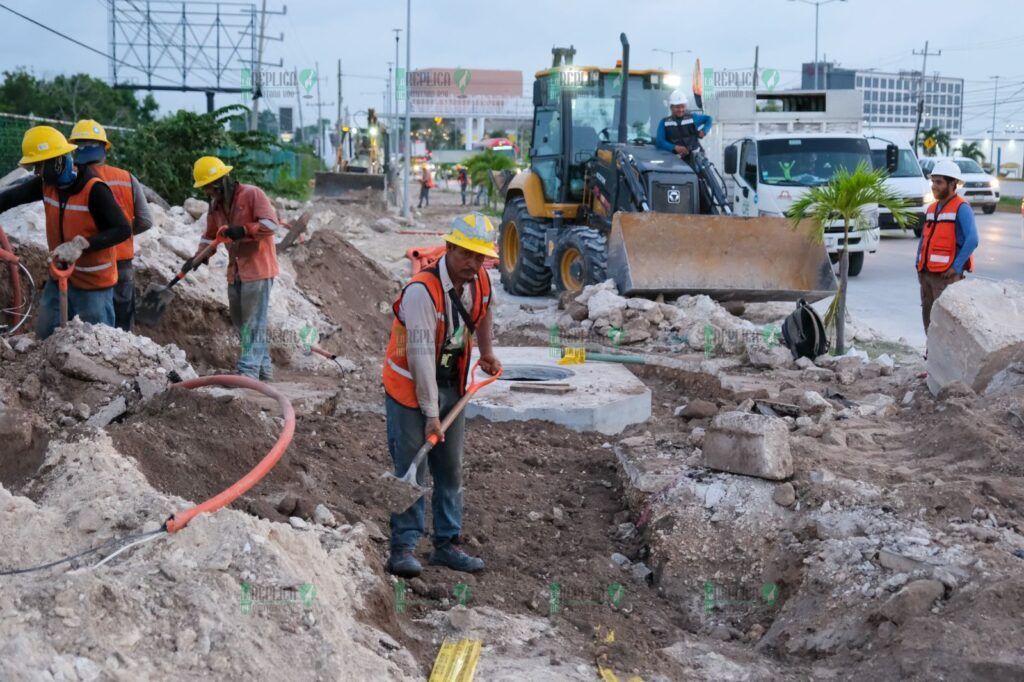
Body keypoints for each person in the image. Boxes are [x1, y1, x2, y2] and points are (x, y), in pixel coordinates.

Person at [381, 212, 502, 578]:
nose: (474, 263)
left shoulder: (479, 281)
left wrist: (487, 352)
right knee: (413, 466)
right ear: (449, 247)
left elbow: (482, 314)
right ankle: (402, 547)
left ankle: (447, 543)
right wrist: (431, 414)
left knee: (450, 468)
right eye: (467, 254)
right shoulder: (421, 291)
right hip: (409, 387)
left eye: (480, 257)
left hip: (452, 383)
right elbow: (419, 359)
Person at [0, 126, 130, 338]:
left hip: (94, 285)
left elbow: (122, 229)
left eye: (40, 166)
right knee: (44, 336)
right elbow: (8, 198)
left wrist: (82, 244)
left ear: (57, 161)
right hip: (59, 277)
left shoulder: (94, 189)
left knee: (95, 345)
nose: (37, 173)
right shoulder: (46, 185)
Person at [189, 156, 280, 380]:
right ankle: (264, 369)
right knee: (242, 321)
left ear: (220, 183)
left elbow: (271, 224)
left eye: (210, 188)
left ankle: (248, 372)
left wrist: (244, 230)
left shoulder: (252, 194)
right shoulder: (216, 207)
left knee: (253, 321)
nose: (209, 193)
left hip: (258, 268)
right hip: (236, 270)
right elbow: (210, 235)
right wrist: (200, 256)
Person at [69, 119, 153, 332]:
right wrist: (123, 234)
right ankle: (126, 360)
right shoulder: (126, 178)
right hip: (122, 260)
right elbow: (145, 220)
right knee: (123, 323)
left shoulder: (71, 179)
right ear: (105, 148)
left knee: (90, 326)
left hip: (89, 262)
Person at [916, 159, 979, 332]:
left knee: (946, 325)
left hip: (946, 277)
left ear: (953, 184)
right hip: (927, 274)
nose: (934, 186)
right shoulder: (932, 208)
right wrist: (918, 264)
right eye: (933, 181)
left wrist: (955, 267)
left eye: (939, 182)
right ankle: (930, 355)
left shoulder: (962, 208)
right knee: (929, 321)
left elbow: (973, 240)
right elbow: (924, 239)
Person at [655, 90, 713, 162]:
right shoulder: (664, 122)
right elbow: (660, 142)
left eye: (683, 106)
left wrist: (704, 131)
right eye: (677, 107)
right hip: (675, 161)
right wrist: (675, 147)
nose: (680, 109)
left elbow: (709, 119)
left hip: (696, 160)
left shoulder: (693, 118)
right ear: (671, 107)